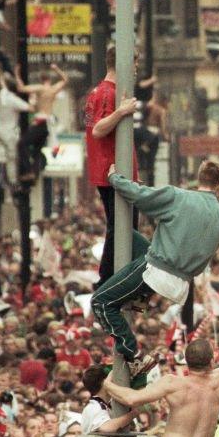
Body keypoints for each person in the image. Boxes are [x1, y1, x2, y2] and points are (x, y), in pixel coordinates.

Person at [91, 161, 219, 380]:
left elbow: (138, 195)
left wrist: (114, 179)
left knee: (100, 302)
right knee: (124, 234)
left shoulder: (178, 197)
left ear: (199, 179)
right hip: (179, 281)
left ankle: (134, 355)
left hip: (156, 270)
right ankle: (137, 297)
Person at [85, 44, 141, 287]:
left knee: (126, 226)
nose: (137, 69)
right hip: (112, 171)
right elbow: (98, 129)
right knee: (121, 226)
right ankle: (108, 280)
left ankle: (113, 278)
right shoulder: (107, 93)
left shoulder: (104, 91)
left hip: (116, 170)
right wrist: (122, 111)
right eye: (135, 63)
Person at [15, 64, 68, 184]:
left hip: (40, 122)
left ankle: (29, 171)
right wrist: (57, 69)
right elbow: (65, 79)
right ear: (49, 80)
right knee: (37, 151)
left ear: (42, 80)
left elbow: (21, 88)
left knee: (21, 144)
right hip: (48, 125)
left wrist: (17, 74)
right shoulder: (54, 89)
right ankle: (34, 174)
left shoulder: (40, 88)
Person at [78, 366, 139, 434]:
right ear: (104, 382)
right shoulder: (93, 407)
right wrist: (132, 415)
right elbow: (107, 427)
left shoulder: (109, 404)